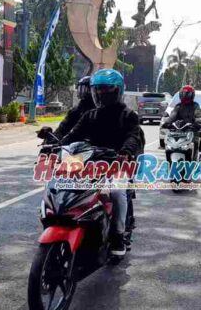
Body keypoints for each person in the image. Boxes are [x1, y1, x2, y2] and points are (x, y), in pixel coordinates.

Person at [60, 69, 141, 258]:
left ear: (117, 91)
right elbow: (72, 135)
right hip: (90, 162)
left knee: (116, 191)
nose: (101, 95)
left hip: (116, 164)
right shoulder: (90, 115)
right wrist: (54, 143)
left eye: (106, 91)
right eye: (97, 91)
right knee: (65, 183)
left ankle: (118, 235)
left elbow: (133, 136)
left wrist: (126, 152)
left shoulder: (128, 115)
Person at [37, 76, 95, 141]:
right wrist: (53, 138)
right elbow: (63, 128)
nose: (83, 92)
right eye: (81, 89)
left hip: (98, 148)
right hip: (74, 147)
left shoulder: (101, 112)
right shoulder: (76, 111)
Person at [163, 85, 201, 159]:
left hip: (191, 130)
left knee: (196, 141)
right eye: (183, 94)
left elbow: (198, 115)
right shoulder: (178, 106)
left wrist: (197, 123)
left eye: (187, 94)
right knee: (168, 145)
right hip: (178, 131)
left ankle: (195, 159)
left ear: (192, 95)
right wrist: (167, 122)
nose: (185, 96)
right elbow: (173, 115)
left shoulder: (195, 106)